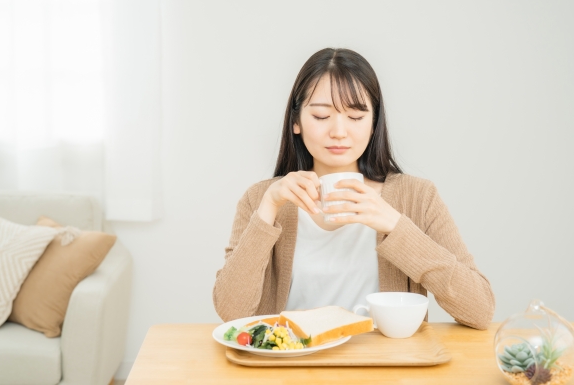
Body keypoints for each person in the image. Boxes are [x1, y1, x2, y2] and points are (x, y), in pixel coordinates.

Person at [212, 48, 495, 330]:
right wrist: (269, 207)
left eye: (356, 117)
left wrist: (396, 227)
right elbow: (231, 312)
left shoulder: (418, 197)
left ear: (374, 124)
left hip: (385, 370)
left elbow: (480, 309)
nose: (339, 131)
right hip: (293, 370)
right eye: (322, 116)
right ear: (296, 122)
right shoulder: (261, 199)